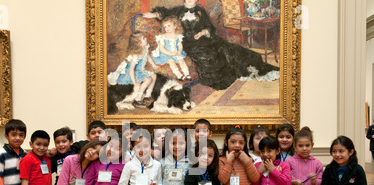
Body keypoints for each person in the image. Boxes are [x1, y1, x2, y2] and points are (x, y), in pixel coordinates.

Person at [143, 0, 279, 90]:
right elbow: (161, 13)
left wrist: (202, 33)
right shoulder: (177, 11)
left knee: (227, 49)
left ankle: (252, 67)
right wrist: (146, 15)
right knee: (209, 56)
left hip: (203, 39)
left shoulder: (200, 11)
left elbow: (209, 28)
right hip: (187, 44)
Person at [108, 32, 159, 108]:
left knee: (154, 76)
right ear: (138, 43)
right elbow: (131, 69)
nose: (146, 39)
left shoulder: (145, 48)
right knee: (148, 79)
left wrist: (153, 64)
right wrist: (135, 83)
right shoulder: (136, 55)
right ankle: (137, 99)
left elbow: (147, 56)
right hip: (132, 72)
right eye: (143, 38)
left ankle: (148, 95)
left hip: (140, 70)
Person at [152, 15, 191, 81]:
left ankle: (187, 74)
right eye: (165, 27)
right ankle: (179, 75)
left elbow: (180, 45)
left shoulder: (177, 36)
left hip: (175, 53)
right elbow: (161, 48)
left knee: (181, 60)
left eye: (169, 26)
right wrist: (169, 53)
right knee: (171, 62)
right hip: (166, 54)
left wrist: (179, 51)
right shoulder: (163, 37)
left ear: (175, 26)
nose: (167, 28)